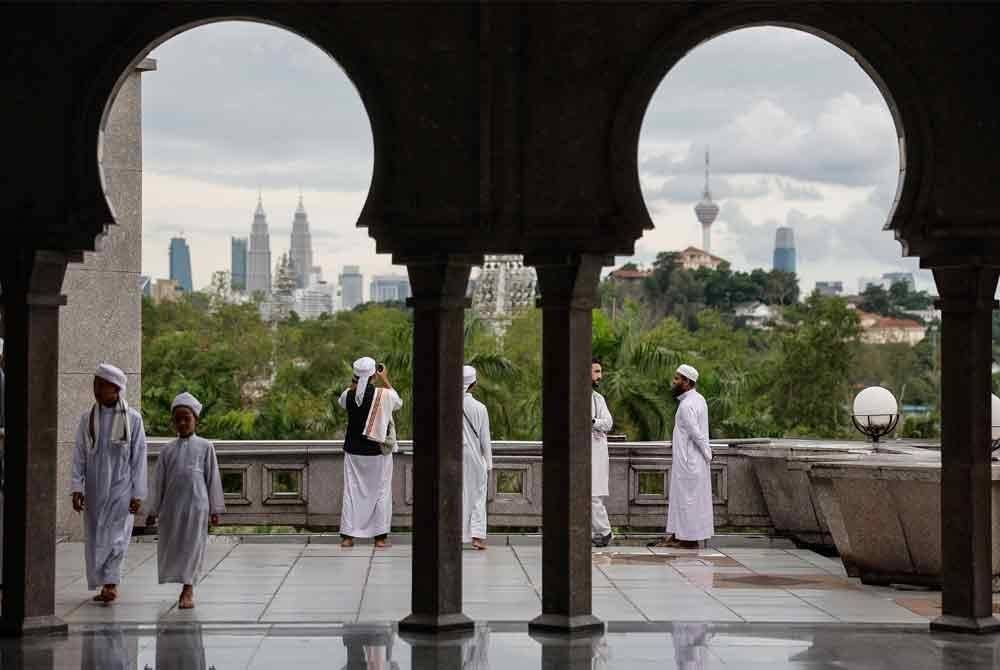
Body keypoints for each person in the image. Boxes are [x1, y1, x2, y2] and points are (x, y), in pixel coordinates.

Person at [70, 363, 148, 603]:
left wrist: (138, 493)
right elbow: (79, 454)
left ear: (115, 389)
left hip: (121, 486)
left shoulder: (132, 419)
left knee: (117, 536)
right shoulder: (87, 419)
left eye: (100, 385)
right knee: (96, 535)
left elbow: (139, 457)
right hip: (94, 488)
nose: (95, 389)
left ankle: (111, 584)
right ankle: (104, 582)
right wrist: (77, 487)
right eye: (95, 384)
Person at [145, 392, 224, 610]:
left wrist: (215, 509)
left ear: (195, 419)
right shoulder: (167, 450)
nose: (182, 423)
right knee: (175, 546)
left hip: (197, 506)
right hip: (171, 509)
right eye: (177, 419)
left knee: (193, 546)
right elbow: (158, 482)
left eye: (186, 418)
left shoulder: (206, 447)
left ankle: (188, 589)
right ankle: (180, 581)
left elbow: (212, 478)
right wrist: (153, 511)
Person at [338, 357, 402, 549]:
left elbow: (344, 402)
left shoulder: (347, 395)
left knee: (351, 492)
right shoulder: (384, 394)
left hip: (353, 452)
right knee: (381, 492)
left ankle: (348, 538)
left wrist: (356, 382)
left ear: (355, 375)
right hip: (377, 452)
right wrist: (385, 379)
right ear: (375, 374)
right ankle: (380, 538)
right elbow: (398, 402)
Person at [649, 364, 713, 549]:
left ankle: (688, 539)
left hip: (689, 461)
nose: (674, 382)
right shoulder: (698, 399)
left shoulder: (687, 405)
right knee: (683, 500)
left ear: (687, 382)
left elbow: (696, 434)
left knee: (687, 502)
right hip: (690, 461)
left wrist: (707, 454)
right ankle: (678, 535)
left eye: (677, 379)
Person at [461, 365, 493, 550]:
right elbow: (484, 438)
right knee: (478, 496)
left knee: (457, 495)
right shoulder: (480, 408)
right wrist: (488, 463)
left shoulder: (447, 404)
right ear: (473, 384)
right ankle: (477, 537)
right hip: (475, 458)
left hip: (454, 458)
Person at [590, 358, 614, 548]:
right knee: (586, 494)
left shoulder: (598, 398)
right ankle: (597, 532)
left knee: (594, 494)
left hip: (597, 451)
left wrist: (593, 422)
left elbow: (608, 423)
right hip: (583, 452)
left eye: (600, 371)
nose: (600, 376)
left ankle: (605, 532)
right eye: (596, 371)